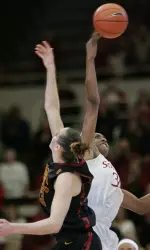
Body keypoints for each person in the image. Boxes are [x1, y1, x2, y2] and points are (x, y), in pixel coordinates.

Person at [0, 33, 102, 250]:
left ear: (57, 146)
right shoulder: (64, 151)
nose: (54, 129)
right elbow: (52, 107)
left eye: (57, 133)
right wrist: (50, 67)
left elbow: (54, 224)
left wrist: (13, 228)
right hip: (70, 241)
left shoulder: (67, 178)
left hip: (81, 244)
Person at [86, 132, 150, 250]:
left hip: (101, 239)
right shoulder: (80, 166)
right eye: (96, 136)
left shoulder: (110, 187)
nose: (103, 138)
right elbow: (88, 124)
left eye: (104, 137)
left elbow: (141, 206)